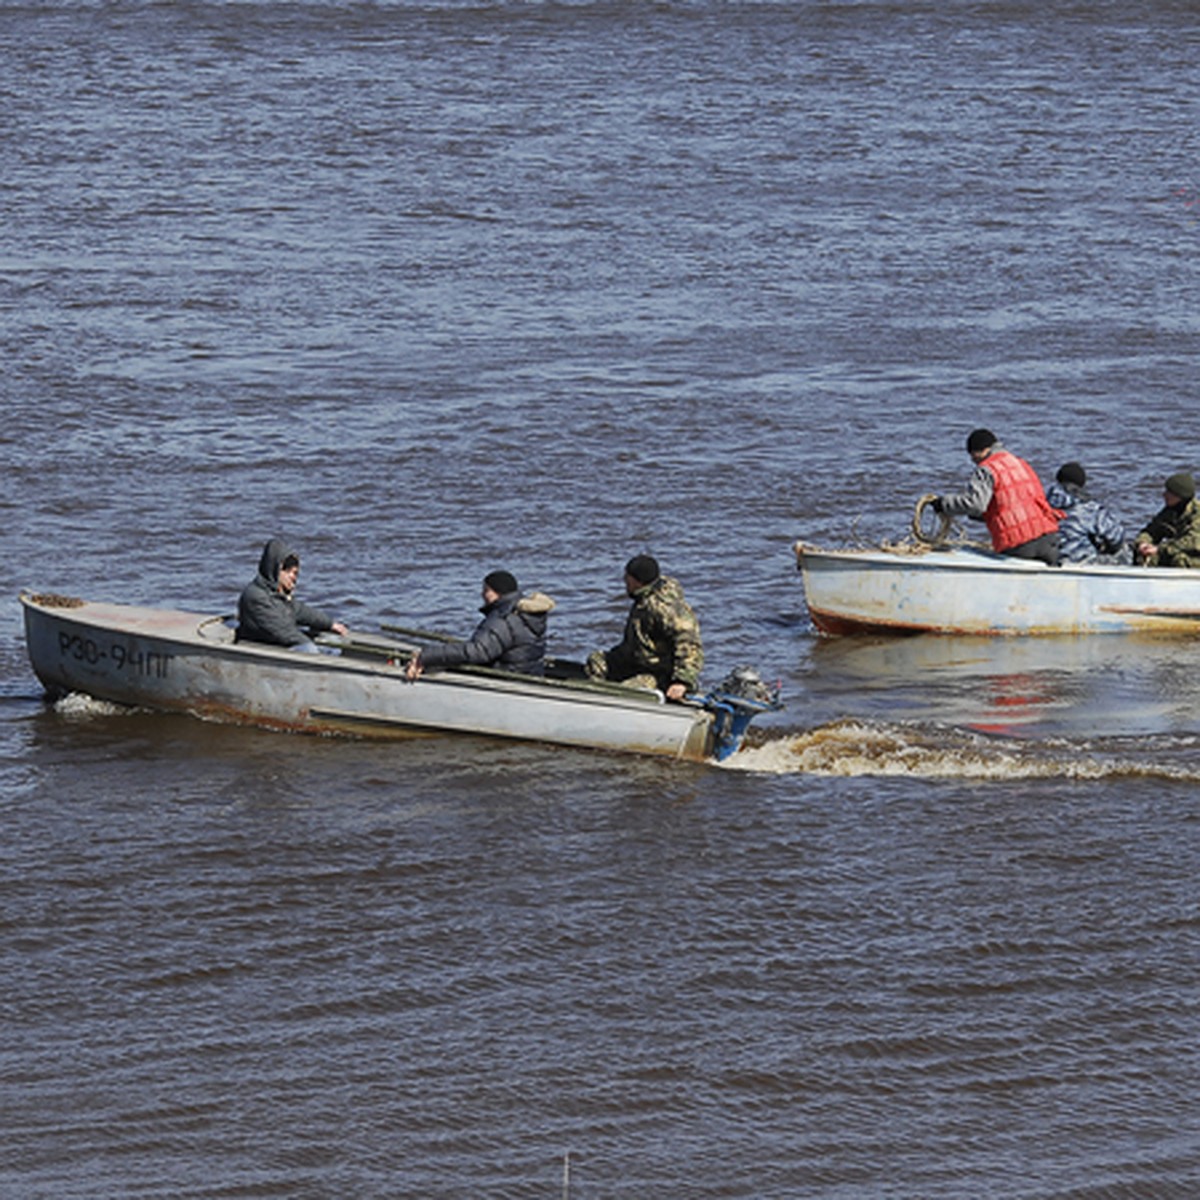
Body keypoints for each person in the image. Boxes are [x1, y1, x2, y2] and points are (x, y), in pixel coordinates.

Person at [932, 428, 1062, 565]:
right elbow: (1012, 505)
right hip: (1049, 539)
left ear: (980, 451)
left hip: (1020, 545)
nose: (973, 461)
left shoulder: (986, 469)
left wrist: (943, 504)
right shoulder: (1021, 463)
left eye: (973, 456)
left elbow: (975, 504)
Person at [585, 555, 703, 702]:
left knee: (628, 691)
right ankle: (595, 700)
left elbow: (689, 642)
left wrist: (682, 681)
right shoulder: (643, 598)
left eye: (627, 578)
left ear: (638, 581)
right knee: (596, 662)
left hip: (658, 672)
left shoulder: (665, 608)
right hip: (636, 661)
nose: (624, 581)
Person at [405, 570, 554, 679]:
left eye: (486, 590)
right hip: (529, 674)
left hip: (506, 679)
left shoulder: (504, 619)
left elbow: (477, 652)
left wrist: (426, 656)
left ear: (498, 593)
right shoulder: (525, 613)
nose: (482, 594)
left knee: (440, 663)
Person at [236, 537, 348, 652]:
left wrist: (330, 624)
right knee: (309, 649)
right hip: (260, 651)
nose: (294, 578)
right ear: (278, 570)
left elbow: (302, 611)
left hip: (279, 645)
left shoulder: (279, 596)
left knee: (334, 645)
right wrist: (312, 648)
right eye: (291, 572)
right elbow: (282, 630)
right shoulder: (255, 597)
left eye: (296, 573)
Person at [1044, 462, 1126, 564]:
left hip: (1048, 559)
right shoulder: (1089, 507)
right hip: (1081, 561)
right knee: (1125, 551)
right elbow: (1116, 537)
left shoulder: (1042, 503)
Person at [1133, 472, 1200, 567]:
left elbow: (1192, 543)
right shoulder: (1170, 511)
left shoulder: (1197, 514)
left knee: (1179, 559)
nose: (1164, 495)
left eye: (1169, 493)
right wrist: (1143, 543)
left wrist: (1159, 549)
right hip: (1174, 550)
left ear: (1180, 496)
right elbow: (1152, 531)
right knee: (1146, 556)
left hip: (1195, 555)